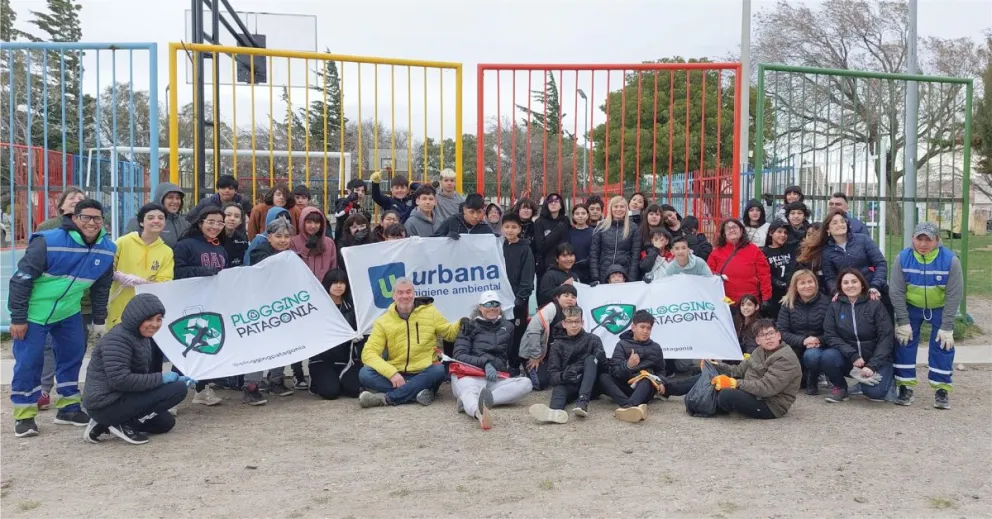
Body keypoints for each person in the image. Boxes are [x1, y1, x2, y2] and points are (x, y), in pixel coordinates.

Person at [8, 199, 115, 437]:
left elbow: (101, 287)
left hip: (69, 313)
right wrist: (18, 318)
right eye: (85, 217)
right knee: (29, 362)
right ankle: (24, 416)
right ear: (74, 218)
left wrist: (99, 319)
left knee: (73, 357)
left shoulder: (107, 249)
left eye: (97, 218)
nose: (92, 222)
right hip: (34, 314)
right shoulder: (49, 241)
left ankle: (68, 408)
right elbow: (20, 280)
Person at [81, 294, 191, 445]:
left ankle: (105, 423)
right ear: (136, 318)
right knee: (178, 390)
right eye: (149, 319)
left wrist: (168, 381)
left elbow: (140, 377)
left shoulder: (141, 338)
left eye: (159, 319)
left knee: (166, 423)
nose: (155, 324)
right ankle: (119, 422)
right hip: (105, 403)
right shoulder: (117, 340)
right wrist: (162, 379)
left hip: (121, 396)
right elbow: (120, 380)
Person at [662, 319, 801, 419]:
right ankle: (665, 389)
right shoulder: (759, 351)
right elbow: (738, 371)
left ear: (779, 335)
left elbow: (767, 388)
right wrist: (715, 365)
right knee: (711, 374)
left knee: (726, 394)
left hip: (770, 404)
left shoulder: (785, 358)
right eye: (763, 335)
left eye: (771, 333)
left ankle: (708, 401)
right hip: (751, 392)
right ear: (758, 340)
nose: (768, 338)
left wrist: (735, 384)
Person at [890, 222, 962, 409]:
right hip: (912, 307)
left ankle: (941, 389)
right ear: (913, 238)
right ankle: (905, 386)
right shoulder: (903, 258)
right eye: (919, 239)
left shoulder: (950, 260)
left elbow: (954, 294)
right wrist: (903, 321)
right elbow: (896, 291)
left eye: (928, 239)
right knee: (904, 342)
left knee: (943, 344)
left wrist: (947, 326)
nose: (923, 244)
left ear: (937, 240)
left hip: (939, 307)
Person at [358, 277, 460, 407]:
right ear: (393, 296)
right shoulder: (383, 321)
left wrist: (461, 323)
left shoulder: (430, 312)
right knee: (365, 373)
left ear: (414, 294)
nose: (405, 296)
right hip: (397, 374)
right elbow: (368, 353)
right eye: (400, 292)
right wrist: (392, 373)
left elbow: (449, 333)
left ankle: (387, 398)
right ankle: (419, 392)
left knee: (438, 370)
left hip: (424, 372)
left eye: (408, 292)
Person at [35, 187, 90, 411]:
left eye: (81, 199)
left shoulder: (93, 228)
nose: (77, 201)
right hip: (51, 300)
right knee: (48, 346)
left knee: (75, 347)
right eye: (72, 198)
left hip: (80, 300)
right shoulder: (48, 228)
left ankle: (69, 392)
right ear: (62, 206)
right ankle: (43, 388)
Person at [451, 291, 534, 430]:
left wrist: (495, 366)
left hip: (494, 377)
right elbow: (459, 355)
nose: (492, 307)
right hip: (469, 374)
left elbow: (505, 356)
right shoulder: (469, 326)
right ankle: (479, 414)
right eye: (488, 304)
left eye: (496, 304)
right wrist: (485, 363)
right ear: (480, 307)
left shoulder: (508, 327)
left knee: (526, 383)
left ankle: (483, 401)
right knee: (468, 392)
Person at [171, 206, 228, 406]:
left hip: (211, 305)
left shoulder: (220, 248)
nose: (215, 226)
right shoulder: (185, 245)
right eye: (210, 222)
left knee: (207, 347)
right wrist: (203, 270)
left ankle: (202, 389)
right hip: (188, 305)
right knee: (185, 349)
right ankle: (172, 397)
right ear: (200, 222)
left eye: (219, 223)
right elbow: (177, 272)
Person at [242, 218, 297, 403]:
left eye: (287, 236)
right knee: (259, 345)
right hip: (260, 306)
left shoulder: (290, 254)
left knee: (282, 343)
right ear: (269, 236)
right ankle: (251, 386)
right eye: (278, 236)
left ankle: (276, 380)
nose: (283, 240)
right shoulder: (260, 250)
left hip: (281, 305)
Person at [822, 269, 894, 403]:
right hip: (852, 359)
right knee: (827, 356)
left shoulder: (875, 304)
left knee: (875, 394)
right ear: (840, 287)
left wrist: (872, 365)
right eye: (846, 282)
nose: (850, 285)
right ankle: (840, 388)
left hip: (875, 359)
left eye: (854, 281)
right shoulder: (835, 306)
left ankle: (881, 382)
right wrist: (852, 355)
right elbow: (830, 335)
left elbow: (886, 337)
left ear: (862, 284)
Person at [528, 306, 606, 424]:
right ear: (564, 324)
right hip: (571, 382)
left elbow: (604, 371)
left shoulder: (594, 340)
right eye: (570, 321)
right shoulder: (557, 345)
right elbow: (552, 375)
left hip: (591, 385)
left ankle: (582, 402)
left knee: (591, 360)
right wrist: (563, 376)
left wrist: (602, 360)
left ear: (582, 322)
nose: (574, 325)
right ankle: (555, 411)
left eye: (577, 321)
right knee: (559, 387)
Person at [107, 203, 175, 331]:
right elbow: (107, 267)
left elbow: (165, 282)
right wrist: (118, 276)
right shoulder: (124, 242)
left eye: (161, 218)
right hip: (120, 304)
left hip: (147, 309)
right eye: (150, 218)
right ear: (142, 222)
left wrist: (142, 283)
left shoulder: (166, 251)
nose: (156, 221)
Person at [598, 310, 666, 423]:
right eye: (642, 327)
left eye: (648, 328)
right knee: (603, 377)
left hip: (645, 387)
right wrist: (628, 365)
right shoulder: (622, 344)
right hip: (625, 386)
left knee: (646, 378)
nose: (645, 331)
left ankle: (628, 407)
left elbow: (661, 371)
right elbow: (615, 373)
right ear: (633, 327)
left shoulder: (656, 347)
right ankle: (630, 406)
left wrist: (661, 382)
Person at [308, 269, 365, 400]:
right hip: (322, 360)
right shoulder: (315, 307)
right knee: (330, 393)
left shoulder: (352, 307)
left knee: (355, 390)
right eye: (334, 282)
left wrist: (357, 337)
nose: (338, 286)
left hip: (347, 360)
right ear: (327, 284)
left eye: (342, 283)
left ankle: (339, 381)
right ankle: (318, 381)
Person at [814, 209, 888, 305]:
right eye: (835, 223)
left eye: (842, 221)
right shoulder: (827, 251)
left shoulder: (863, 240)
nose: (840, 225)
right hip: (847, 296)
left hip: (872, 292)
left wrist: (875, 286)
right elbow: (830, 277)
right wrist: (836, 292)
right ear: (828, 229)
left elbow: (880, 263)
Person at [776, 269, 831, 394]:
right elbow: (782, 331)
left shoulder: (827, 302)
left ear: (816, 283)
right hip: (795, 345)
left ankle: (813, 380)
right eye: (802, 283)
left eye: (810, 282)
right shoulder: (787, 303)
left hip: (818, 346)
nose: (807, 286)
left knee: (812, 355)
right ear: (795, 286)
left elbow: (832, 330)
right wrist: (803, 341)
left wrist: (818, 340)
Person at [520, 284, 578, 390]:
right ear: (557, 297)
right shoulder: (550, 309)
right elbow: (533, 331)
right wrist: (535, 357)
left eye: (573, 297)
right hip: (536, 353)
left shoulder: (574, 313)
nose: (570, 299)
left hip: (553, 355)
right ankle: (525, 372)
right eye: (566, 295)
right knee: (539, 383)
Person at [707, 219, 772, 307]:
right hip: (725, 302)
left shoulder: (754, 250)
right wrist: (716, 275)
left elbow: (764, 275)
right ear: (724, 233)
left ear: (741, 230)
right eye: (728, 228)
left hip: (749, 302)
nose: (731, 230)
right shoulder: (716, 252)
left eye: (734, 227)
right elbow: (708, 273)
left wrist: (766, 297)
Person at [501, 212, 535, 374]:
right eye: (507, 227)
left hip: (518, 300)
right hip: (500, 299)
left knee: (517, 333)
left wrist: (521, 297)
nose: (510, 230)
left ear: (519, 229)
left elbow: (527, 276)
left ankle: (514, 364)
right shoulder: (497, 247)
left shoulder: (525, 248)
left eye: (514, 227)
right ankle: (501, 362)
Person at [590, 195, 640, 284]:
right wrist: (595, 277)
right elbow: (594, 254)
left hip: (625, 274)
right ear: (611, 208)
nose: (619, 209)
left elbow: (635, 256)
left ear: (626, 208)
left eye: (622, 206)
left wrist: (631, 279)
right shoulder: (601, 226)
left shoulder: (633, 227)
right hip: (604, 273)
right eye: (616, 206)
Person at [124, 182, 189, 248]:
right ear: (160, 199)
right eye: (170, 197)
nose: (175, 201)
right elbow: (126, 247)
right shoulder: (139, 221)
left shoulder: (184, 223)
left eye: (178, 198)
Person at [290, 206, 338, 282]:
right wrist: (306, 247)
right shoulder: (293, 241)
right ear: (303, 223)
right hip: (303, 286)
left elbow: (333, 266)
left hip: (324, 286)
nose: (313, 226)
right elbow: (293, 266)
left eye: (317, 222)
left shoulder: (329, 242)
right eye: (309, 222)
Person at [761, 221, 798, 319]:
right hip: (773, 294)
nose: (783, 235)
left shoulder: (791, 248)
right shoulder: (764, 252)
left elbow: (800, 236)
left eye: (785, 233)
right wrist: (776, 282)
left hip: (791, 291)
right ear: (771, 233)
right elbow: (762, 273)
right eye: (779, 232)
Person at [187, 175, 253, 226]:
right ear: (218, 189)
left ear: (235, 190)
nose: (227, 191)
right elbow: (189, 220)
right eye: (223, 188)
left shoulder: (243, 202)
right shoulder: (205, 203)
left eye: (230, 188)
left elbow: (254, 221)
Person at [533, 192, 570, 278]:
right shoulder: (539, 222)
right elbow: (541, 246)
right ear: (546, 204)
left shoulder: (565, 220)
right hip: (545, 266)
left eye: (556, 201)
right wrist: (558, 229)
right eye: (550, 201)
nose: (553, 203)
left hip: (563, 264)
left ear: (561, 205)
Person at [538, 243, 579, 308]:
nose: (568, 259)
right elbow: (543, 298)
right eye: (564, 256)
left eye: (571, 255)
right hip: (556, 315)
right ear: (557, 259)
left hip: (572, 316)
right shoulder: (550, 275)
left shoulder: (575, 276)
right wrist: (562, 287)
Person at [569, 203, 594, 283]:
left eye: (583, 213)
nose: (580, 216)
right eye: (577, 213)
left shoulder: (594, 232)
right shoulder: (568, 233)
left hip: (590, 271)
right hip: (573, 271)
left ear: (587, 215)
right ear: (573, 216)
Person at [220, 202, 250, 268]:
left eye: (237, 216)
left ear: (240, 221)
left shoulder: (242, 239)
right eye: (228, 215)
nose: (232, 219)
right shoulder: (213, 237)